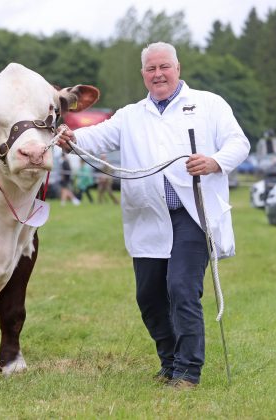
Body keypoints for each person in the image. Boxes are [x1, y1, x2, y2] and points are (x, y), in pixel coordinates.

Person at [56, 42, 249, 389]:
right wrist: (72, 138)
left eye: (164, 67)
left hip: (193, 213)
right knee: (149, 297)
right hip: (148, 216)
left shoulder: (209, 104)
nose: (158, 74)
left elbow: (239, 143)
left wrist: (214, 161)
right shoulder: (131, 114)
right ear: (143, 74)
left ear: (178, 68)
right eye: (150, 69)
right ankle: (169, 361)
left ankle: (188, 372)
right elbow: (97, 137)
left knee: (181, 288)